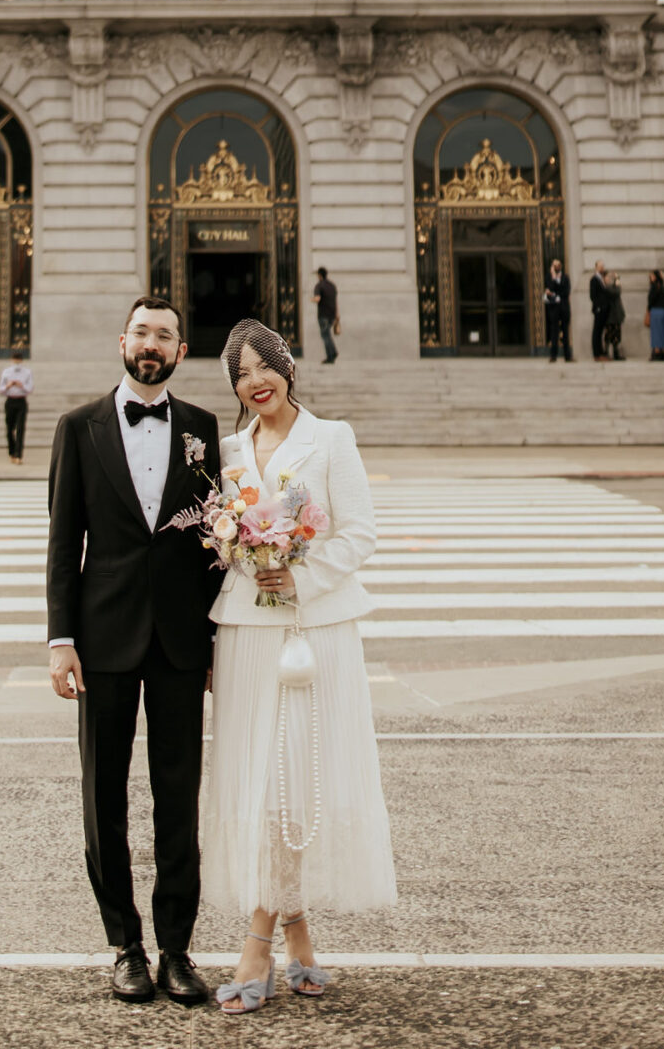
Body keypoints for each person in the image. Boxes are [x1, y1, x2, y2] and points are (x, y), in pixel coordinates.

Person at [202, 318, 396, 1011]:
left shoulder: (331, 438)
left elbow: (361, 531)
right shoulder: (227, 450)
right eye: (241, 375)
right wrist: (241, 552)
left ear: (288, 368)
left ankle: (256, 942)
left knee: (295, 783)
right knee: (257, 782)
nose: (255, 383)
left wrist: (298, 573)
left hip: (315, 633)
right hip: (247, 634)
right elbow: (220, 541)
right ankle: (297, 935)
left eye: (264, 368)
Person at [47, 297, 223, 1007]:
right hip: (103, 636)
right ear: (122, 341)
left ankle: (177, 950)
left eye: (165, 336)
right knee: (104, 798)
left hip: (182, 638)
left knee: (179, 800)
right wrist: (60, 639)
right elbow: (64, 543)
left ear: (181, 351)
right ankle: (124, 945)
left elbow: (217, 543)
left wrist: (218, 638)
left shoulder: (205, 429)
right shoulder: (77, 427)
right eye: (142, 332)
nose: (151, 345)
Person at [0, 349, 33, 463]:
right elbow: (1, 389)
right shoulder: (7, 372)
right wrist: (9, 386)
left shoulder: (27, 372)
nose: (17, 362)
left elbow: (29, 388)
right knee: (9, 429)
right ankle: (12, 452)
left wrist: (21, 385)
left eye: (18, 360)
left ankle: (19, 454)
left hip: (21, 401)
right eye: (15, 360)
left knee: (20, 429)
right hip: (10, 400)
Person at [544, 258, 572, 363]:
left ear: (561, 266)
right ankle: (553, 356)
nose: (556, 267)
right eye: (554, 265)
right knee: (554, 333)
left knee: (565, 333)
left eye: (558, 265)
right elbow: (548, 289)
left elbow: (566, 291)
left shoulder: (565, 277)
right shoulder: (548, 277)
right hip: (554, 309)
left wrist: (554, 293)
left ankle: (567, 356)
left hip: (564, 308)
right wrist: (553, 278)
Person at [312, 267, 339, 365]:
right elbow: (335, 301)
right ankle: (332, 353)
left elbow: (317, 298)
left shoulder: (319, 286)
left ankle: (331, 354)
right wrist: (337, 314)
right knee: (327, 334)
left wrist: (311, 299)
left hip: (323, 315)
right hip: (332, 314)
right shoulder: (332, 286)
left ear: (319, 275)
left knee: (325, 335)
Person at [647, 270, 664, 361]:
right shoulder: (660, 286)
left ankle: (658, 352)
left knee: (657, 332)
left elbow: (651, 300)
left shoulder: (656, 286)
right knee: (661, 332)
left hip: (656, 311)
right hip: (662, 311)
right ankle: (661, 352)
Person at [588, 261, 611, 363]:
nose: (602, 268)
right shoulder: (594, 279)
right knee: (596, 332)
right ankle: (597, 354)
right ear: (596, 267)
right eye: (600, 266)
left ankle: (601, 353)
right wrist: (599, 307)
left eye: (603, 266)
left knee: (600, 332)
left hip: (604, 309)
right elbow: (593, 296)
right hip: (599, 309)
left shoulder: (602, 279)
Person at [606, 271, 626, 363]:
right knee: (611, 336)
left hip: (616, 316)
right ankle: (611, 353)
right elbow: (617, 292)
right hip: (611, 316)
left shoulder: (612, 287)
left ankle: (616, 353)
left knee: (616, 336)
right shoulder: (608, 287)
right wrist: (618, 284)